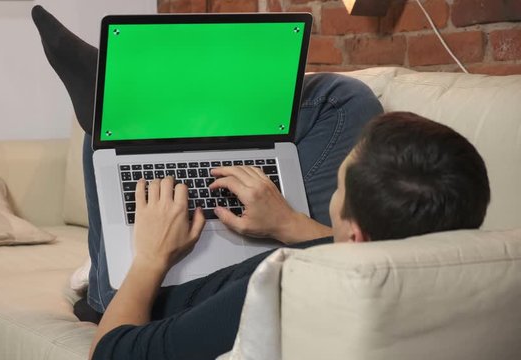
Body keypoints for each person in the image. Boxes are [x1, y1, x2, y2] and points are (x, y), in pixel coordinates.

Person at [31, 6, 490, 360]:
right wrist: (290, 223)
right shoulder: (472, 273)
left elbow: (113, 353)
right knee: (344, 98)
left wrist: (151, 257)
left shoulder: (275, 289)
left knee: (112, 135)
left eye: (341, 185)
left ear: (357, 236)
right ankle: (124, 97)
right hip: (299, 244)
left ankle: (99, 283)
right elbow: (363, 250)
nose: (336, 187)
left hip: (170, 288)